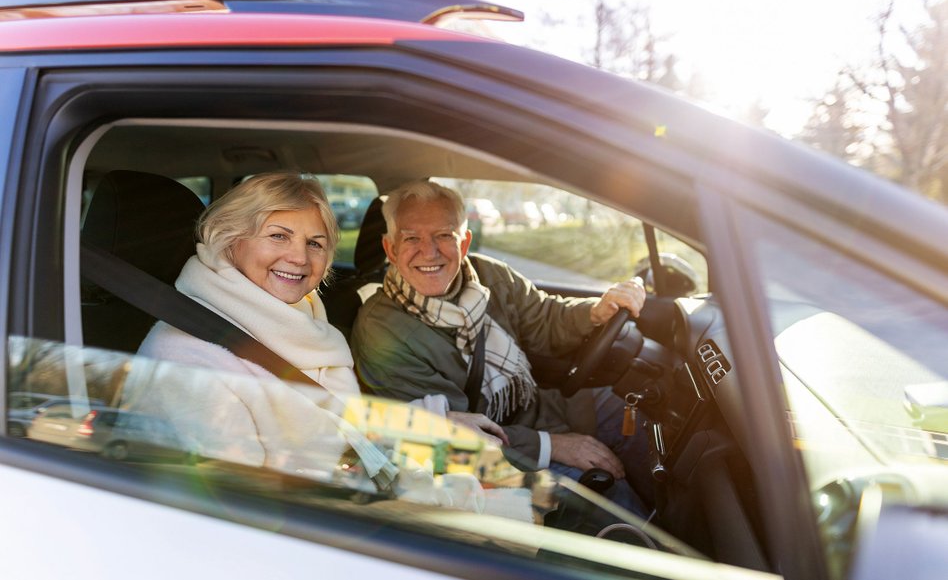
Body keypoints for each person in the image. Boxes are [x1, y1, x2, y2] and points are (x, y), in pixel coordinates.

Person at [351, 179, 654, 516]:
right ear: (390, 249)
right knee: (609, 501)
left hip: (542, 411)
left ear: (464, 242)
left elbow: (546, 319)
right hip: (488, 463)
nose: (430, 251)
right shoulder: (381, 330)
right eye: (412, 238)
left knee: (641, 421)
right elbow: (454, 440)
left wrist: (596, 311)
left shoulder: (489, 274)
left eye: (443, 236)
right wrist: (554, 446)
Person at [129, 172, 396, 486]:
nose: (299, 258)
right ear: (230, 239)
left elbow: (344, 422)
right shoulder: (183, 362)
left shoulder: (305, 321)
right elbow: (234, 502)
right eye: (278, 236)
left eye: (315, 243)